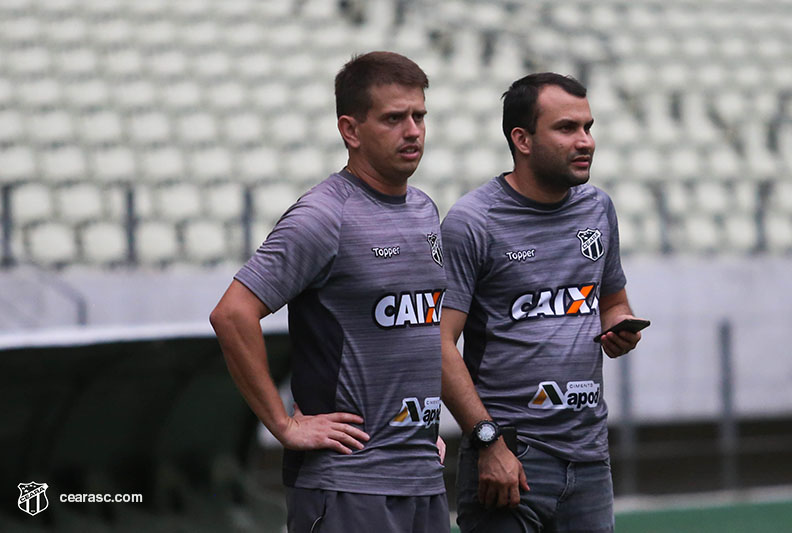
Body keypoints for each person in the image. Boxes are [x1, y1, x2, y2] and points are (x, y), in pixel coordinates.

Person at [210, 51, 449, 533]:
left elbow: (419, 329)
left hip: (423, 477)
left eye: (419, 116)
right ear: (351, 130)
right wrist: (282, 424)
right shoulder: (324, 215)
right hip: (348, 484)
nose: (413, 131)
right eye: (394, 118)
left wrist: (421, 430)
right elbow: (232, 314)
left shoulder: (424, 209)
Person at [440, 72, 646, 532]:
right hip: (511, 457)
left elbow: (613, 301)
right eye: (567, 128)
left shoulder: (598, 208)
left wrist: (620, 324)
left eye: (588, 127)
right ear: (522, 139)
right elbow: (437, 344)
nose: (585, 141)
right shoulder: (474, 221)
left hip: (590, 457)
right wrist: (489, 444)